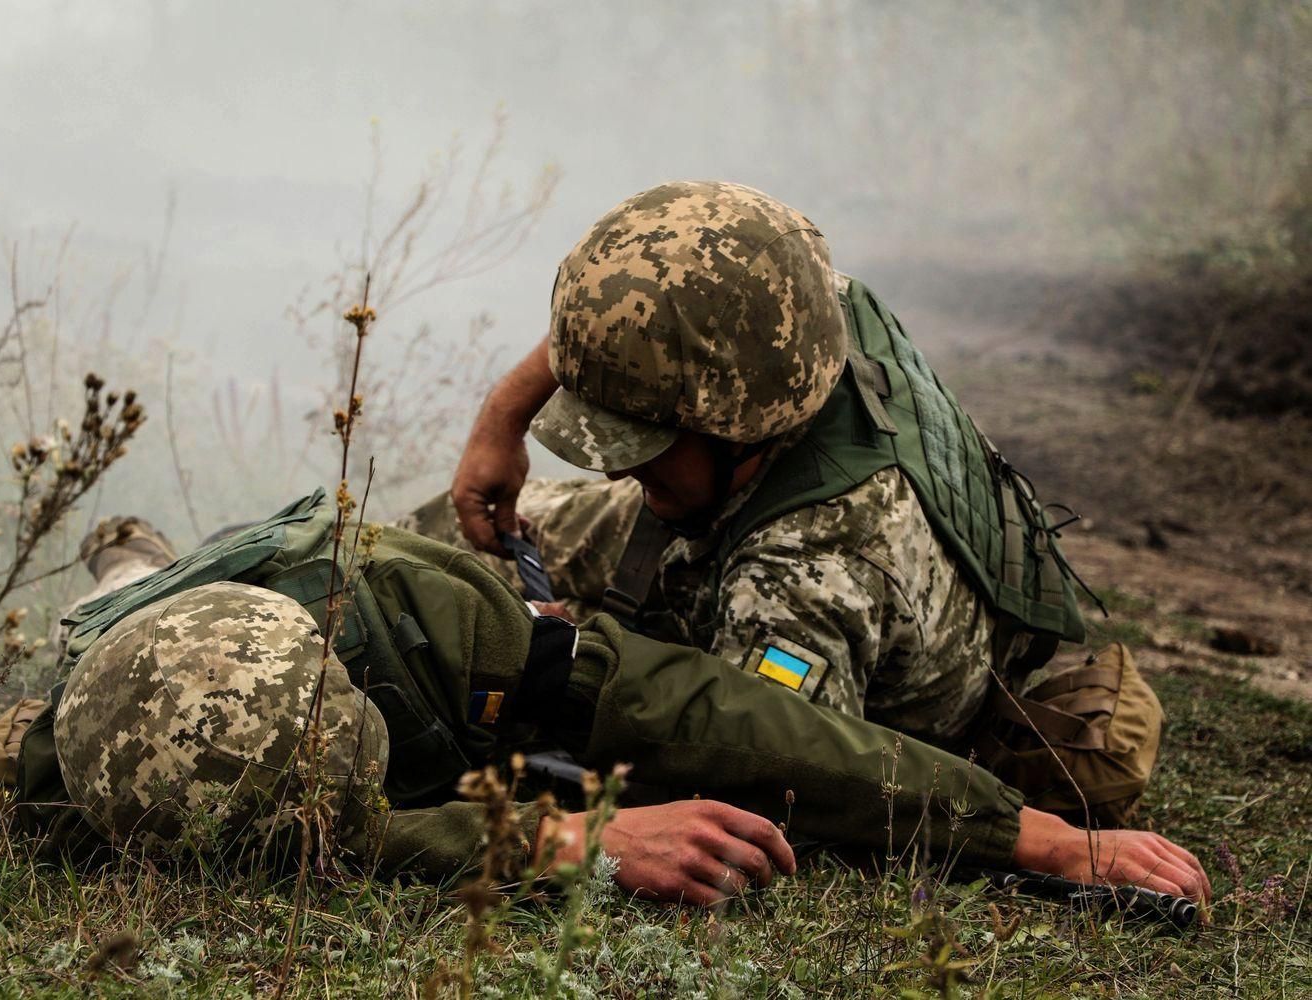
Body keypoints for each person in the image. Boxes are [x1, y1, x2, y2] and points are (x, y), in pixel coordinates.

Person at [4, 498, 1206, 910]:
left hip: (341, 587)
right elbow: (346, 838)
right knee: (122, 592)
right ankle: (130, 557)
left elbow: (714, 714)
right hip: (142, 642)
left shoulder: (430, 617)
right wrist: (559, 840)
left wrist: (1026, 832)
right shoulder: (60, 772)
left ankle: (138, 549)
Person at [411, 180, 1161, 824]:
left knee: (479, 645)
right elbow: (640, 320)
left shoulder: (808, 575)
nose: (616, 474)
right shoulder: (788, 313)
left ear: (735, 423)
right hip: (732, 509)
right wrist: (502, 421)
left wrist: (570, 677)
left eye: (645, 445)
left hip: (821, 632)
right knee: (439, 546)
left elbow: (760, 779)